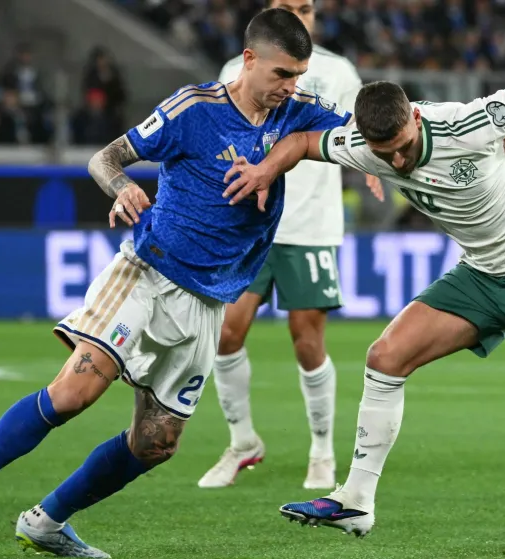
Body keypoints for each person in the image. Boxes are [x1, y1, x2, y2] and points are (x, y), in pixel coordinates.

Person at [0, 9, 352, 558]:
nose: (291, 86)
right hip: (147, 273)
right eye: (282, 74)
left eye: (298, 75)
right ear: (249, 60)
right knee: (73, 393)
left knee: (156, 444)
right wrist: (121, 187)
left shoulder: (298, 110)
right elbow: (105, 157)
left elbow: (350, 131)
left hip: (208, 302)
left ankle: (46, 522)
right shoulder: (192, 108)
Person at [223, 60, 505, 558]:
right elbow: (305, 143)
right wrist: (266, 168)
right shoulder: (363, 145)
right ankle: (356, 499)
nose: (397, 162)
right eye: (385, 154)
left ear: (415, 119)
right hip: (482, 275)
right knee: (385, 357)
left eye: (402, 148)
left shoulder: (469, 122)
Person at [198, 0, 381, 491]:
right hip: (248, 225)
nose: (298, 15)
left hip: (310, 226)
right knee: (226, 335)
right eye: (287, 6)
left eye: (306, 7)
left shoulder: (336, 70)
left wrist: (374, 168)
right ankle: (242, 442)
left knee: (307, 341)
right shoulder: (238, 69)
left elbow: (358, 128)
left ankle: (321, 451)